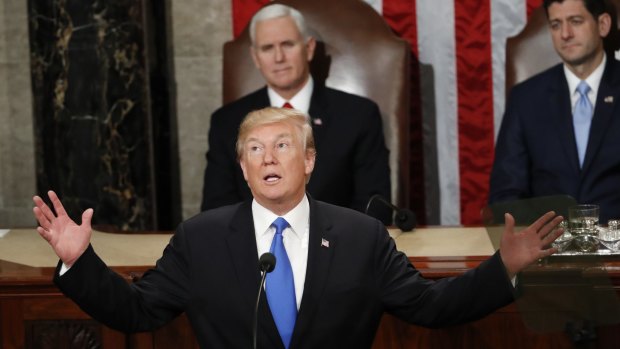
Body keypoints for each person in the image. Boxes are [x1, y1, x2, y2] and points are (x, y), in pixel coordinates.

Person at [33, 107, 564, 349]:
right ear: (242, 168)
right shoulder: (202, 237)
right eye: (255, 150)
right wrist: (80, 263)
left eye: (283, 145)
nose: (269, 157)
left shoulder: (360, 236)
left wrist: (504, 270)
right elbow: (138, 312)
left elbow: (431, 308)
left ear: (309, 161)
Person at [201, 3, 392, 224]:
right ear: (255, 57)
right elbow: (217, 210)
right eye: (267, 48)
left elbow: (374, 206)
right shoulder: (227, 122)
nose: (279, 57)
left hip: (336, 248)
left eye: (287, 44)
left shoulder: (358, 115)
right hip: (254, 252)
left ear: (309, 48)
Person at [489, 0, 620, 223]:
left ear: (603, 25)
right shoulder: (525, 98)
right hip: (549, 248)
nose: (565, 34)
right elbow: (505, 195)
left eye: (575, 22)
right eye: (556, 25)